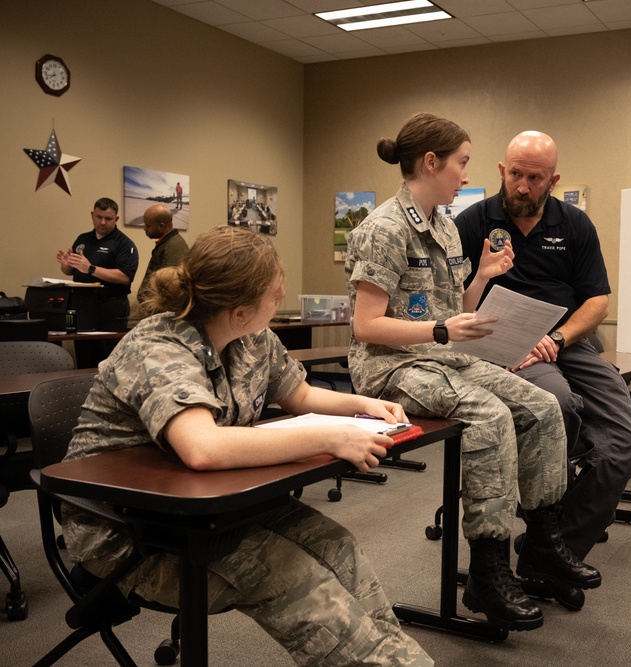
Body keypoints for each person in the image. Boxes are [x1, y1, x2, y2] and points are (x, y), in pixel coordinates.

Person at [62, 226, 432, 666]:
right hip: (132, 534)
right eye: (276, 293)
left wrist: (365, 404)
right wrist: (329, 436)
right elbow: (203, 448)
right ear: (239, 311)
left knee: (340, 548)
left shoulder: (250, 336)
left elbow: (300, 394)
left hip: (210, 509)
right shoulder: (158, 347)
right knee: (293, 577)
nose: (282, 298)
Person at [345, 113, 601, 631]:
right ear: (431, 162)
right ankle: (487, 569)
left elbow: (453, 307)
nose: (467, 175)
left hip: (437, 356)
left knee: (541, 405)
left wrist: (482, 276)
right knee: (489, 416)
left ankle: (544, 542)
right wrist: (441, 330)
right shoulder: (382, 229)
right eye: (462, 163)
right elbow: (367, 326)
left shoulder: (442, 224)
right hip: (388, 367)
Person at [454, 131, 631, 609]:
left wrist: (557, 338)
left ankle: (548, 554)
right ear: (502, 170)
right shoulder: (472, 222)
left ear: (552, 180)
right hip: (501, 346)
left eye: (533, 178)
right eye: (514, 173)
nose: (521, 185)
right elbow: (450, 305)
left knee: (627, 442)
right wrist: (481, 281)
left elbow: (597, 300)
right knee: (558, 405)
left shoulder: (574, 224)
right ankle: (541, 531)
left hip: (563, 341)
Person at [56, 197, 139, 333]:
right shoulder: (83, 239)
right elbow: (70, 271)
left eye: (108, 218)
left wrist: (90, 268)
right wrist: (67, 265)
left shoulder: (124, 244)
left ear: (116, 219)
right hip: (82, 305)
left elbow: (125, 277)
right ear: (92, 215)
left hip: (110, 307)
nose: (103, 222)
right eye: (99, 217)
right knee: (84, 351)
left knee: (108, 352)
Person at [134, 204, 189, 320]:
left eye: (148, 226)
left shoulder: (174, 247)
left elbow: (170, 290)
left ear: (161, 226)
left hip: (164, 317)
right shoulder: (167, 244)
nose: (145, 229)